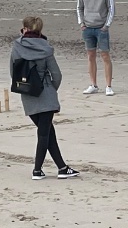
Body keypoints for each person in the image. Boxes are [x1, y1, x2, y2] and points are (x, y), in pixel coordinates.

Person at [10, 16, 80, 180]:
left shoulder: (17, 47)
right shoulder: (46, 49)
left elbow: (13, 73)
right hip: (46, 93)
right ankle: (37, 170)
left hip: (27, 94)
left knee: (48, 132)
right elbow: (57, 75)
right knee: (44, 133)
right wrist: (50, 89)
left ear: (25, 29)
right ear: (40, 31)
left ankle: (62, 168)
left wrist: (25, 88)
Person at [77, 0, 116, 96]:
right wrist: (81, 23)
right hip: (87, 27)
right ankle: (93, 84)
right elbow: (79, 7)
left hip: (101, 28)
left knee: (105, 55)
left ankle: (108, 86)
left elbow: (111, 7)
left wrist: (107, 25)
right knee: (91, 56)